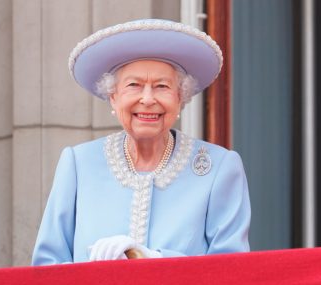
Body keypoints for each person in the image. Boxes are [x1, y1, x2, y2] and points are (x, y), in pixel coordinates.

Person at [32, 19, 251, 265]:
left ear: (180, 98)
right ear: (113, 98)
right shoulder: (78, 164)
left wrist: (155, 260)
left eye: (162, 86)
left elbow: (232, 269)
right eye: (134, 85)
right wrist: (91, 275)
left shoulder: (219, 168)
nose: (147, 99)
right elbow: (47, 265)